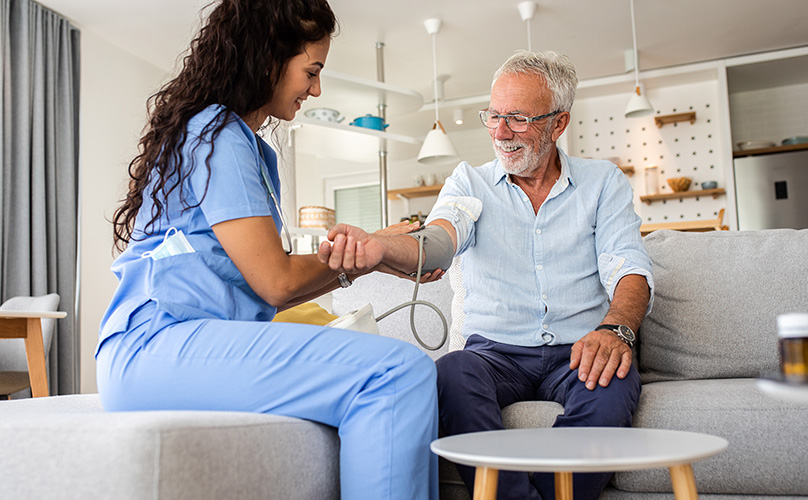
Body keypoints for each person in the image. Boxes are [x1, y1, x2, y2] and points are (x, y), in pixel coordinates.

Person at [97, 1, 439, 498]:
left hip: (172, 344)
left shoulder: (250, 148)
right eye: (312, 71)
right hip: (154, 343)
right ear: (268, 58)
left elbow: (267, 287)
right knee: (396, 371)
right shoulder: (217, 133)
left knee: (395, 368)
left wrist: (374, 252)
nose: (316, 89)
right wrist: (378, 251)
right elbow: (276, 281)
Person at [320, 50, 654, 500]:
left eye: (517, 118)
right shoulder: (468, 182)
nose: (499, 132)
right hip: (494, 355)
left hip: (580, 349)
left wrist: (616, 329)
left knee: (615, 378)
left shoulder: (602, 183)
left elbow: (629, 267)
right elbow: (439, 240)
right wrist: (380, 247)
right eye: (493, 115)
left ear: (558, 123)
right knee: (452, 372)